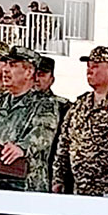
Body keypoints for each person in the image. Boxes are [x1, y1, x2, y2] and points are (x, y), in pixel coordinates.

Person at [53, 46, 108, 197]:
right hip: (79, 189)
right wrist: (58, 178)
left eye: (95, 66)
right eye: (88, 66)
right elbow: (64, 142)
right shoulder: (80, 104)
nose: (89, 70)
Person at [0, 46, 59, 192]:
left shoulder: (44, 104)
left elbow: (43, 135)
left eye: (12, 65)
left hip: (26, 187)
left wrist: (22, 148)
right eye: (6, 64)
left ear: (29, 72)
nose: (5, 69)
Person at [35, 56, 71, 186]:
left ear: (52, 79)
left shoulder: (63, 107)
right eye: (34, 74)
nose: (37, 79)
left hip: (51, 171)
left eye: (42, 75)